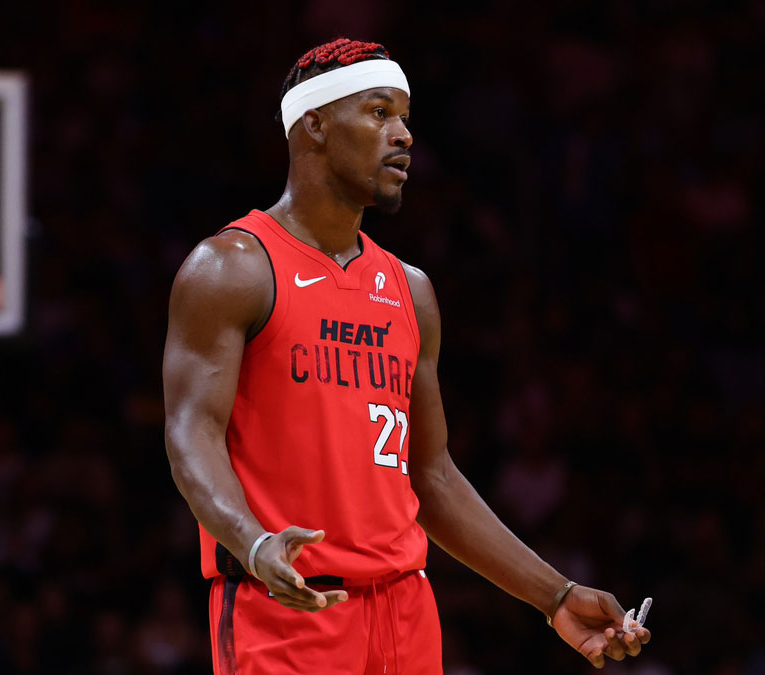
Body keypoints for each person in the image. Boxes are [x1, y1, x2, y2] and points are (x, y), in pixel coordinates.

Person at [162, 38, 652, 674]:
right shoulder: (233, 268)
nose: (403, 135)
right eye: (379, 112)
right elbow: (190, 433)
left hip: (405, 611)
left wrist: (553, 595)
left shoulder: (410, 290)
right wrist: (252, 544)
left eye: (406, 119)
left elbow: (433, 475)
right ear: (313, 124)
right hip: (290, 606)